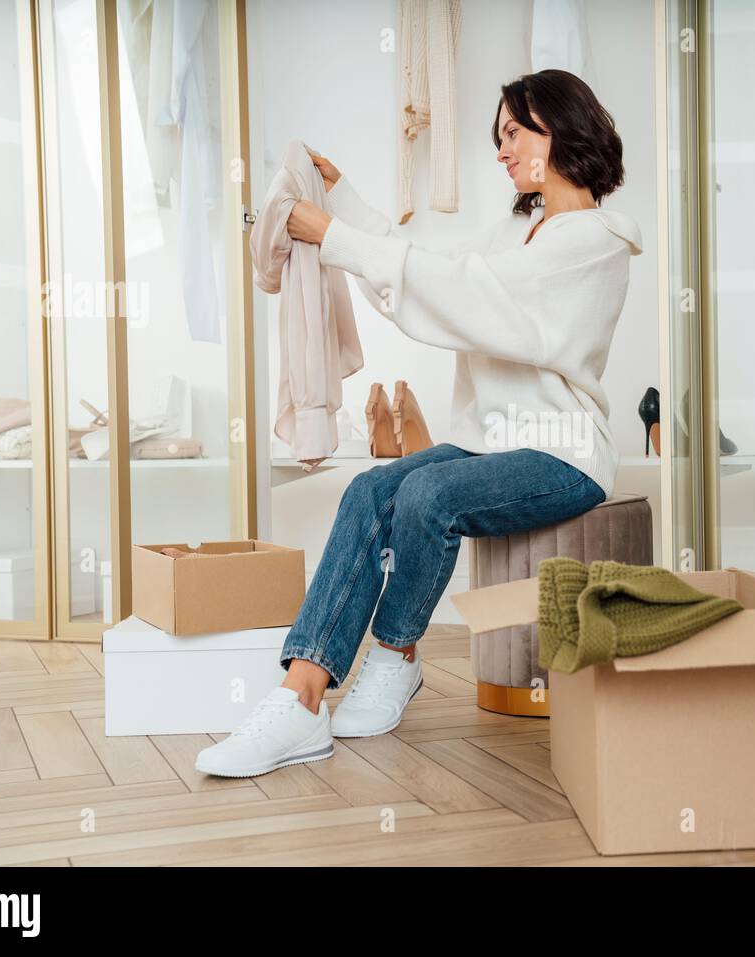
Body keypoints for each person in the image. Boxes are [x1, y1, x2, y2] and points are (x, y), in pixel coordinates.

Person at [196, 69, 642, 778]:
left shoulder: (594, 242)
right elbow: (439, 268)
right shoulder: (519, 231)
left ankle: (397, 655)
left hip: (563, 453)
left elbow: (466, 293)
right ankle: (303, 696)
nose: (501, 150)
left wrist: (335, 235)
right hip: (487, 440)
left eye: (512, 132)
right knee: (369, 491)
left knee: (427, 497)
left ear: (560, 128)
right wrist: (344, 202)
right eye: (498, 137)